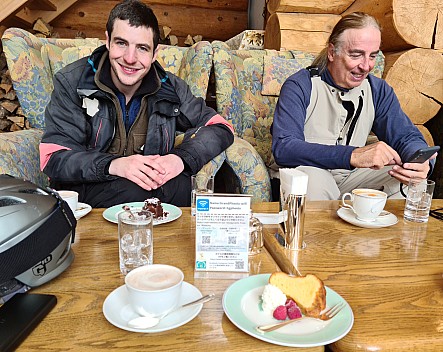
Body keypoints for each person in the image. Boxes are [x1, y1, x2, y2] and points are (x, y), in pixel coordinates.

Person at [39, 0, 234, 208]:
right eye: (121, 43)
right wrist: (114, 165)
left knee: (183, 186)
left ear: (155, 54)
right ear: (107, 41)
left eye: (142, 48)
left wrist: (180, 159)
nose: (130, 58)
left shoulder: (171, 88)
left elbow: (221, 128)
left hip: (150, 188)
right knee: (135, 191)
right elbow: (53, 158)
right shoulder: (72, 82)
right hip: (89, 190)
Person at [271, 12, 436, 200]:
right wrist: (353, 155)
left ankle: (383, 231)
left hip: (352, 178)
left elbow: (405, 135)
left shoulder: (378, 90)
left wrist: (418, 163)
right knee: (313, 182)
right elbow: (284, 148)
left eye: (372, 56)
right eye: (356, 55)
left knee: (410, 180)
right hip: (308, 172)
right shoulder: (300, 85)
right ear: (332, 52)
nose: (366, 66)